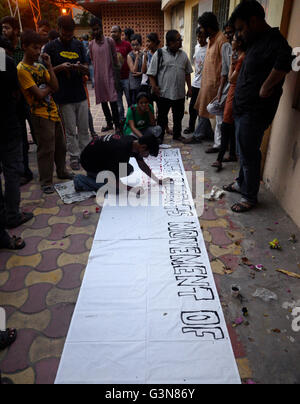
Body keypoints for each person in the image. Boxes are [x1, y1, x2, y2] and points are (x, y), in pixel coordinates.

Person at [224, 0, 293, 213]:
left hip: (255, 111)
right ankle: (241, 183)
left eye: (241, 28)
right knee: (243, 150)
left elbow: (285, 60)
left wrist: (267, 85)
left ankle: (249, 196)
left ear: (253, 21)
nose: (240, 34)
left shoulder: (275, 40)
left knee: (249, 153)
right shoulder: (255, 40)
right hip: (243, 108)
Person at [18, 30, 73, 194]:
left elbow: (56, 86)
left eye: (39, 48)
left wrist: (49, 66)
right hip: (40, 115)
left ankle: (62, 171)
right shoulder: (22, 70)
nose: (38, 52)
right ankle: (46, 181)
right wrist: (50, 86)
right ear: (24, 47)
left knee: (61, 146)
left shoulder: (40, 66)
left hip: (53, 113)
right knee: (46, 149)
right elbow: (41, 94)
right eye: (34, 48)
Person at [43, 15, 90, 171]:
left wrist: (80, 67)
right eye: (64, 34)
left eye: (70, 35)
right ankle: (74, 156)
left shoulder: (78, 44)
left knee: (83, 128)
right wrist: (61, 67)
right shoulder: (50, 47)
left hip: (80, 93)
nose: (67, 37)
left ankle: (85, 154)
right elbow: (45, 72)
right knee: (70, 130)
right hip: (63, 96)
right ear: (58, 29)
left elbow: (86, 65)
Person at [0, 35, 33, 231]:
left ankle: (3, 213)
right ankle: (12, 215)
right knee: (12, 171)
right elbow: (15, 92)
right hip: (7, 124)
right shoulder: (4, 62)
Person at [186, 13, 228, 150]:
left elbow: (226, 68)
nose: (200, 30)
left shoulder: (222, 41)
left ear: (208, 27)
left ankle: (199, 135)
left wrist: (221, 88)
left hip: (215, 85)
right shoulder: (211, 39)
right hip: (206, 83)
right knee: (202, 110)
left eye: (202, 27)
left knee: (208, 112)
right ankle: (207, 134)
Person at [74, 133, 167, 194]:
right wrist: (132, 189)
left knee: (128, 169)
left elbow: (142, 165)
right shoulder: (121, 152)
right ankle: (81, 180)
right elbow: (115, 182)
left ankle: (98, 176)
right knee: (117, 190)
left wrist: (157, 180)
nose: (147, 157)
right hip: (89, 163)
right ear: (143, 147)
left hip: (99, 158)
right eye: (148, 154)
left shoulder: (133, 141)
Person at [1, 16, 34, 185]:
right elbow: (3, 77)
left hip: (31, 96)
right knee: (20, 136)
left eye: (6, 27)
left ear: (15, 29)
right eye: (2, 28)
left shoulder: (24, 46)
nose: (3, 31)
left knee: (36, 133)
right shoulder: (1, 51)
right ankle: (24, 171)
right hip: (14, 102)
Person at [147, 30, 193, 142]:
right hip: (164, 93)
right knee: (162, 118)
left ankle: (177, 135)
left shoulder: (183, 55)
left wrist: (190, 88)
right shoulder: (160, 53)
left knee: (178, 116)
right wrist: (154, 87)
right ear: (170, 42)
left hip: (179, 93)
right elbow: (151, 73)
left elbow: (187, 73)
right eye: (178, 40)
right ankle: (160, 137)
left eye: (180, 39)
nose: (181, 41)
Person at [212, 32, 246, 172]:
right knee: (230, 126)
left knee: (226, 125)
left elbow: (232, 79)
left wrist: (232, 64)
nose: (231, 41)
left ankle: (219, 159)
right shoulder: (241, 56)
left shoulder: (242, 58)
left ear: (239, 43)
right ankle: (232, 154)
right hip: (234, 92)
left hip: (234, 93)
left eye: (233, 40)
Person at [89, 17, 121, 134]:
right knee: (103, 102)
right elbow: (93, 60)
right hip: (99, 78)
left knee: (113, 101)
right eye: (94, 30)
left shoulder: (109, 41)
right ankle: (109, 123)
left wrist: (117, 76)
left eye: (97, 29)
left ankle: (117, 125)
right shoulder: (91, 44)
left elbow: (115, 59)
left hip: (110, 76)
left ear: (101, 28)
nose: (96, 32)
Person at [183, 27, 207, 135]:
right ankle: (191, 127)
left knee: (202, 109)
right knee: (192, 107)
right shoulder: (197, 47)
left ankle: (202, 131)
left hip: (205, 84)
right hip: (196, 82)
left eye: (202, 37)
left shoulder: (209, 48)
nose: (200, 39)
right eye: (198, 37)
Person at [111, 25, 132, 122]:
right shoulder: (109, 46)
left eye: (115, 32)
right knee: (119, 102)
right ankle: (122, 120)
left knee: (129, 100)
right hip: (116, 79)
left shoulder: (127, 45)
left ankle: (130, 120)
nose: (113, 34)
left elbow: (131, 58)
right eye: (111, 32)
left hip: (127, 77)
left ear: (120, 33)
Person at [141, 33, 160, 99]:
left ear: (154, 42)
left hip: (159, 84)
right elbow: (144, 71)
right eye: (146, 41)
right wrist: (145, 58)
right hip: (148, 84)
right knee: (149, 106)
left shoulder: (160, 54)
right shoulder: (146, 54)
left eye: (149, 41)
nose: (146, 44)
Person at [127, 34, 144, 105]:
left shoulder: (144, 54)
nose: (135, 47)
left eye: (137, 44)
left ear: (140, 44)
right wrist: (137, 57)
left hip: (143, 84)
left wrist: (141, 73)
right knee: (134, 104)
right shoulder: (129, 55)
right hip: (134, 85)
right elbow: (133, 70)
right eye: (133, 45)